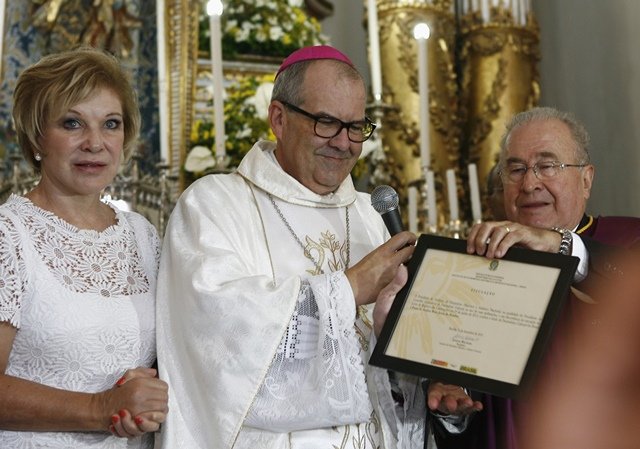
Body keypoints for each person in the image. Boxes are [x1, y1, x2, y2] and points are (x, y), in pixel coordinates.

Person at [155, 45, 463, 449]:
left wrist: (426, 368)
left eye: (356, 127)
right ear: (279, 118)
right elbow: (221, 338)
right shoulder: (214, 205)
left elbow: (389, 371)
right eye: (326, 122)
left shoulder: (372, 214)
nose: (344, 142)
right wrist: (349, 289)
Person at [428, 106, 640, 449]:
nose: (529, 183)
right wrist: (454, 413)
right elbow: (470, 406)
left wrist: (561, 244)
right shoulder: (478, 269)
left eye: (547, 165)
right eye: (516, 169)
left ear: (586, 179)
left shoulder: (629, 241)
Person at [0, 47, 168, 448]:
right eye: (72, 123)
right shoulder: (8, 236)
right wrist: (101, 406)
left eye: (111, 124)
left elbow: (172, 351)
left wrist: (156, 384)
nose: (95, 143)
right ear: (36, 135)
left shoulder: (143, 235)